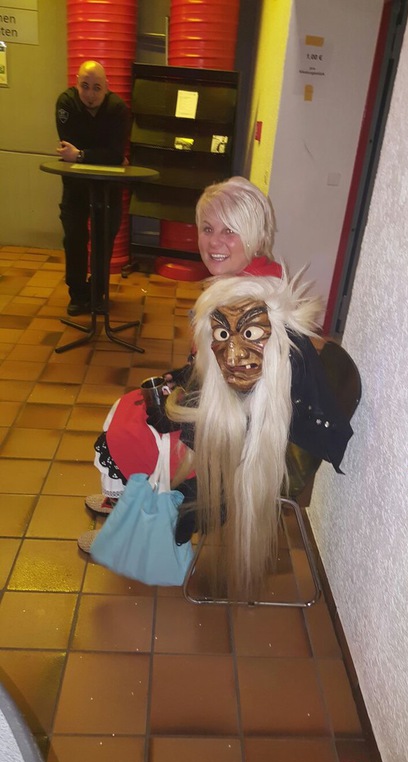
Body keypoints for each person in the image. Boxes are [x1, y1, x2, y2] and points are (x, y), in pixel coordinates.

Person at [78, 175, 353, 553]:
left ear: (256, 234)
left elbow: (236, 404)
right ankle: (126, 503)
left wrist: (174, 409)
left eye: (229, 231)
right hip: (239, 417)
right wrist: (179, 382)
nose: (213, 242)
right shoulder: (258, 276)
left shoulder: (245, 307)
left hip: (236, 440)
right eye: (207, 229)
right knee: (135, 405)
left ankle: (137, 531)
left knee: (130, 426)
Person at [166, 273, 322, 598]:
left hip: (230, 465)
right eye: (222, 334)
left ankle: (139, 524)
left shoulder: (295, 392)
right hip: (215, 450)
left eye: (250, 334)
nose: (233, 356)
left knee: (142, 446)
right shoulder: (220, 375)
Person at [55, 60, 129, 316]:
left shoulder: (118, 109)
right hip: (75, 186)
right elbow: (68, 149)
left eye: (97, 88)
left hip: (107, 188)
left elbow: (115, 154)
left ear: (107, 87)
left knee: (102, 242)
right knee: (74, 239)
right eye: (84, 86)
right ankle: (77, 295)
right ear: (76, 83)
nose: (90, 94)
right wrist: (104, 155)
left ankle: (98, 294)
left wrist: (81, 154)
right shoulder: (66, 103)